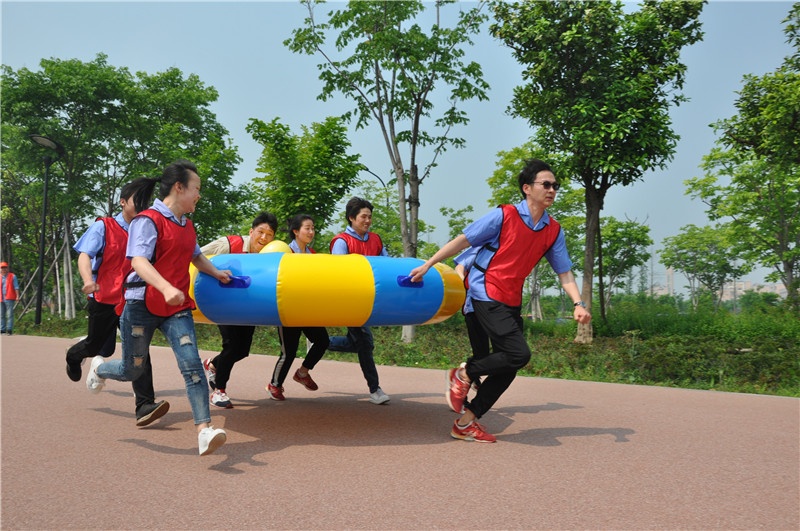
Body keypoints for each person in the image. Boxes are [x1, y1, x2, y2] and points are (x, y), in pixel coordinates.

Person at [408, 159, 592, 443]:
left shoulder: (553, 230)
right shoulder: (503, 216)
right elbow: (463, 241)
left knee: (509, 366)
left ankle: (466, 422)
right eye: (546, 184)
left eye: (555, 185)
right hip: (485, 291)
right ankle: (465, 373)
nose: (552, 190)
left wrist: (579, 304)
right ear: (527, 188)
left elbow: (564, 272)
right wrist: (428, 264)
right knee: (519, 354)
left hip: (511, 298)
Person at [85, 159, 231, 456]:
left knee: (192, 366)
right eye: (196, 189)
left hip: (176, 308)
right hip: (141, 304)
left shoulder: (187, 225)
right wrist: (165, 287)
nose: (199, 195)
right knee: (132, 369)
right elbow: (139, 261)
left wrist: (217, 273)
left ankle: (204, 431)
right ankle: (100, 367)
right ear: (179, 187)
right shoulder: (147, 221)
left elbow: (195, 256)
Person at [66, 178, 169, 427]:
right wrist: (88, 280)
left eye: (146, 202)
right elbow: (84, 255)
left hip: (133, 300)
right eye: (137, 201)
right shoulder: (104, 226)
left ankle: (144, 405)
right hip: (104, 299)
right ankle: (73, 355)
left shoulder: (147, 229)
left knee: (139, 351)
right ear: (122, 202)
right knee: (97, 347)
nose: (142, 206)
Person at [200, 211, 279, 408]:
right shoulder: (228, 244)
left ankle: (212, 364)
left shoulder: (270, 254)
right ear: (251, 232)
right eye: (260, 232)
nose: (264, 238)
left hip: (248, 306)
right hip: (223, 303)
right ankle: (219, 391)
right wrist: (216, 273)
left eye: (269, 235)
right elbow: (196, 257)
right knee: (232, 346)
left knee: (243, 351)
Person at [327, 197, 390, 405]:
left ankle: (322, 342)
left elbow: (387, 266)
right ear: (352, 218)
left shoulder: (376, 240)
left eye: (370, 217)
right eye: (364, 216)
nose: (368, 221)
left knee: (359, 343)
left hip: (371, 300)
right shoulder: (341, 242)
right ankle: (375, 389)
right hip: (350, 300)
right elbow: (339, 273)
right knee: (364, 342)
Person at [267, 214, 330, 401]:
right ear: (296, 231)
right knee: (289, 352)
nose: (311, 232)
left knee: (322, 341)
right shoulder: (285, 252)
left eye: (313, 228)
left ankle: (302, 373)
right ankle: (274, 385)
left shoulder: (312, 254)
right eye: (307, 228)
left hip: (307, 309)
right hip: (288, 310)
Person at [0, 261, 19, 335]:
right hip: (1, 298)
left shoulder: (12, 276)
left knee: (9, 314)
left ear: (7, 268)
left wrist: (17, 296)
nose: (4, 269)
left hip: (9, 298)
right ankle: (2, 329)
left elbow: (16, 287)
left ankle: (9, 329)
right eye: (2, 268)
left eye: (5, 267)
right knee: (1, 315)